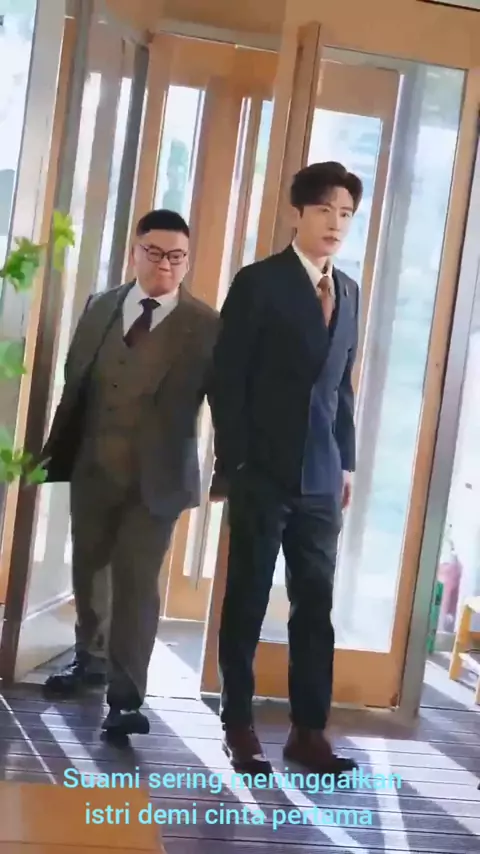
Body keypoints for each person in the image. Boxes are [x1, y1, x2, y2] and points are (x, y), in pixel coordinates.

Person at [41, 209, 219, 740]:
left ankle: (125, 700)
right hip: (94, 464)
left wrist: (232, 468)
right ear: (134, 252)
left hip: (157, 480)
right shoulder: (100, 307)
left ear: (186, 261)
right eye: (154, 252)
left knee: (136, 584)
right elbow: (77, 379)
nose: (165, 264)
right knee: (90, 568)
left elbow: (228, 403)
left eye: (177, 256)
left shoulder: (206, 325)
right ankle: (90, 660)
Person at [209, 162, 362, 775]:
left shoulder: (349, 290)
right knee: (247, 598)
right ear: (297, 213)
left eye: (345, 213)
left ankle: (308, 731)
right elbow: (226, 378)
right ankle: (238, 725)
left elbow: (342, 387)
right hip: (262, 471)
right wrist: (237, 459)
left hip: (322, 477)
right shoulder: (259, 282)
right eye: (325, 210)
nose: (335, 223)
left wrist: (346, 464)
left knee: (315, 605)